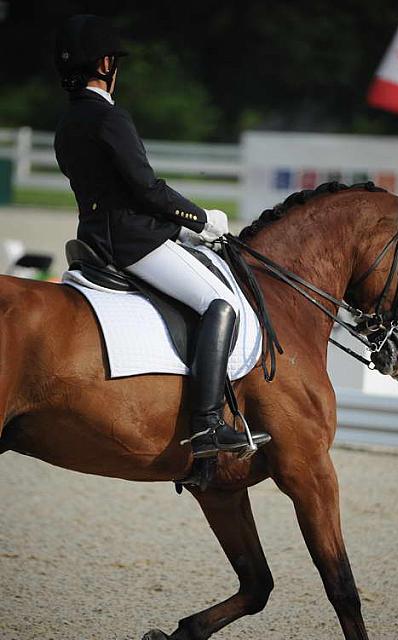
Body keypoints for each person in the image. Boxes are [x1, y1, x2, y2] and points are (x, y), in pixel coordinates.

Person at [54, 15, 269, 459]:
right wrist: (199, 220)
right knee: (220, 304)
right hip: (134, 242)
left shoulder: (67, 122)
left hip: (95, 237)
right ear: (107, 63)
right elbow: (147, 189)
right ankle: (207, 423)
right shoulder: (109, 118)